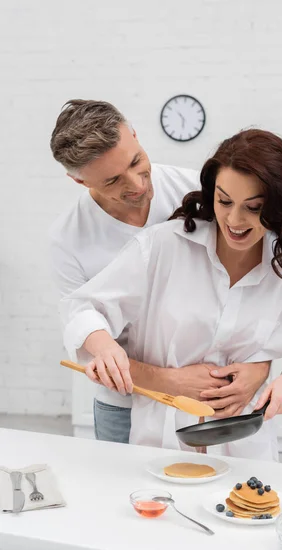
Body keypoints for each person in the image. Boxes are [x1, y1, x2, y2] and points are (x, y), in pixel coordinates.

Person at [61, 128, 282, 460]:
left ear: (279, 206)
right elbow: (82, 307)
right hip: (159, 441)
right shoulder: (164, 246)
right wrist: (104, 345)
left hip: (244, 446)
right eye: (224, 201)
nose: (235, 220)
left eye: (253, 208)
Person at [49, 100, 270, 444]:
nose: (137, 183)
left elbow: (255, 281)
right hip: (122, 404)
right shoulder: (68, 239)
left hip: (212, 394)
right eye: (112, 180)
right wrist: (163, 377)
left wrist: (262, 366)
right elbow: (80, 319)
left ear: (134, 134)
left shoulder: (199, 194)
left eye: (137, 161)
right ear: (78, 180)